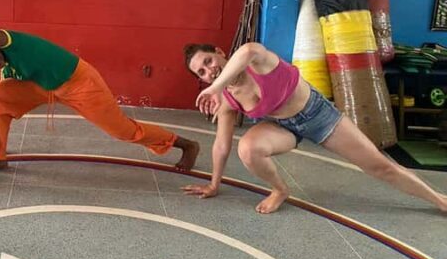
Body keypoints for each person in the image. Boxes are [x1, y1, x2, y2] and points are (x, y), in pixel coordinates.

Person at [182, 42, 447, 214]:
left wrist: (215, 87)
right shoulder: (227, 99)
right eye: (202, 73)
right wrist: (213, 185)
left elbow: (249, 50)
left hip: (319, 117)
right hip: (283, 126)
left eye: (208, 61)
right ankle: (280, 189)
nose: (209, 71)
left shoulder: (256, 60)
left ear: (219, 51)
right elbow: (221, 145)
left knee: (379, 166)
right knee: (248, 148)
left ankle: (440, 200)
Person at [0, 30, 200, 171]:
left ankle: (185, 145)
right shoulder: (8, 68)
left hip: (79, 82)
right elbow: (11, 87)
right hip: (43, 85)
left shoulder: (8, 40)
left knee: (123, 130)